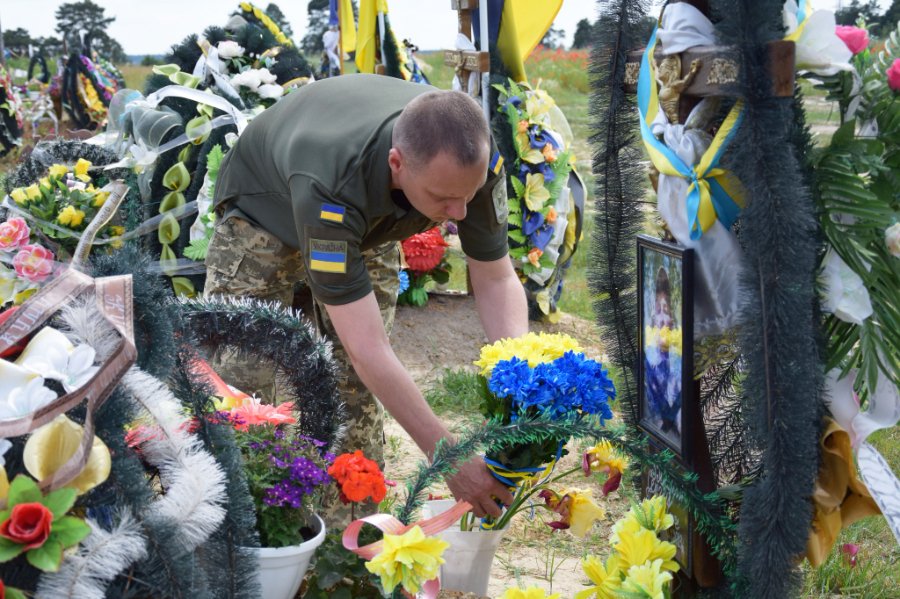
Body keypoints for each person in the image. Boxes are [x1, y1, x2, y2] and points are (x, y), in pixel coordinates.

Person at [204, 74, 525, 524]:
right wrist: (449, 458)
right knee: (244, 389)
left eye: (468, 196)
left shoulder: (471, 162)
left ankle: (349, 540)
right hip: (264, 217)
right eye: (444, 199)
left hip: (364, 222)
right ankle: (245, 531)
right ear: (397, 163)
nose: (460, 214)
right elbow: (367, 348)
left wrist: (522, 381)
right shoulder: (332, 183)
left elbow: (495, 278)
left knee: (353, 393)